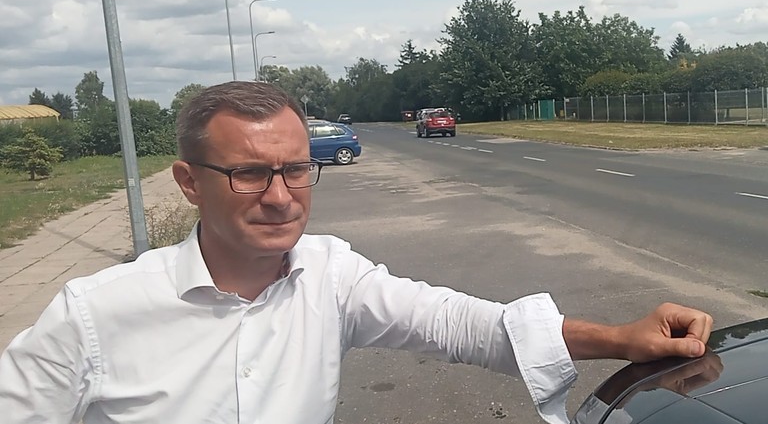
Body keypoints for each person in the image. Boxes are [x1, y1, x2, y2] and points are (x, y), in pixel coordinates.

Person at [0, 81, 713, 424]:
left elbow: (459, 324)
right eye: (249, 173)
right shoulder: (93, 316)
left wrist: (621, 338)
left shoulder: (329, 274)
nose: (281, 196)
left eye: (296, 168)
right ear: (189, 183)